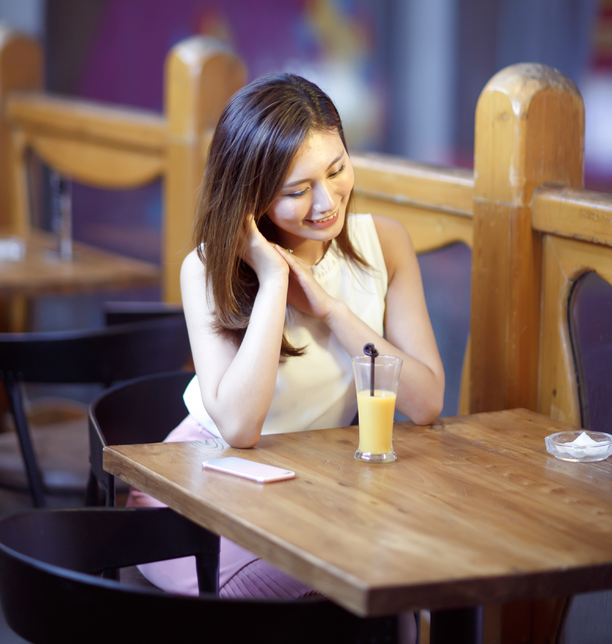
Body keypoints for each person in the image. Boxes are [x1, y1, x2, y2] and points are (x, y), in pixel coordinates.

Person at [131, 73, 444, 615]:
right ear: (250, 198)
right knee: (361, 576)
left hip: (305, 489)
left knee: (408, 561)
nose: (326, 202)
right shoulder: (208, 268)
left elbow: (425, 402)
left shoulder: (384, 244)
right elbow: (239, 428)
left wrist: (332, 310)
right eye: (297, 190)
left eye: (337, 169)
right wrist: (274, 281)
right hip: (198, 493)